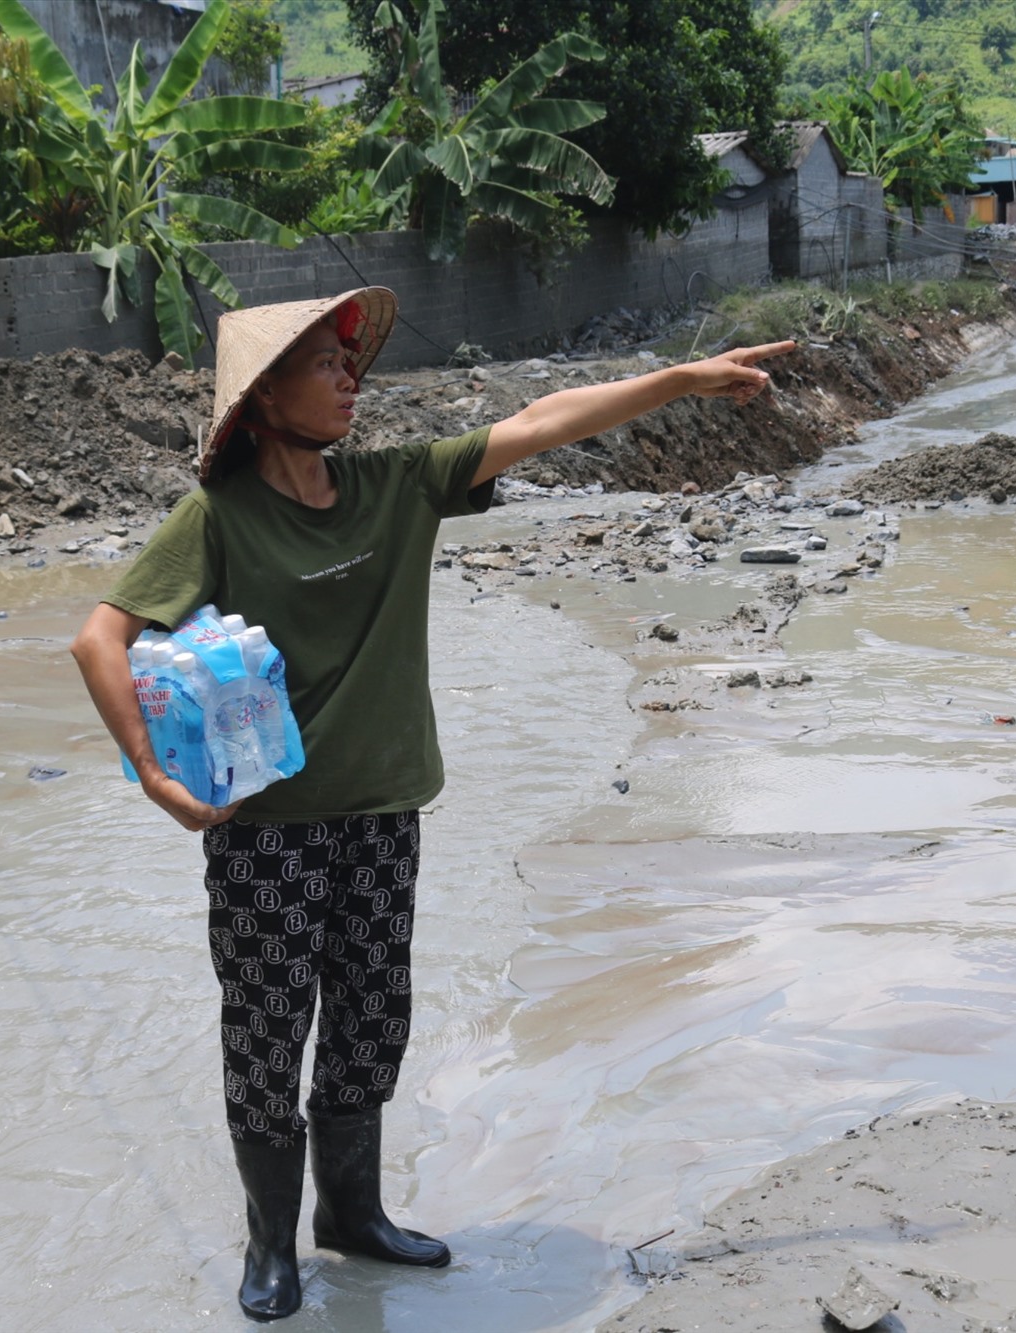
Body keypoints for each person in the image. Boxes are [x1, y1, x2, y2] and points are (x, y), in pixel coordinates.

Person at [69, 286, 790, 1321]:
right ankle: (269, 1246)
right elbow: (99, 639)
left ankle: (350, 1215)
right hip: (266, 830)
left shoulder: (396, 485)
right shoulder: (217, 518)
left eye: (347, 363)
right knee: (268, 1029)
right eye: (324, 365)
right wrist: (152, 775)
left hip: (381, 815)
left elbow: (543, 420)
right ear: (264, 396)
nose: (348, 379)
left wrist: (679, 378)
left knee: (369, 1021)